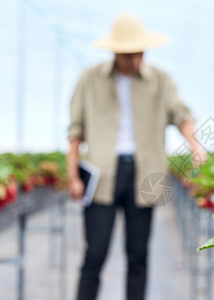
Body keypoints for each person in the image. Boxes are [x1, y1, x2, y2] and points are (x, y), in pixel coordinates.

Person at [66, 13, 206, 300]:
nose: (134, 60)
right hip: (100, 174)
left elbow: (181, 115)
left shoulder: (161, 81)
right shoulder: (90, 79)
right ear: (115, 52)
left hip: (145, 175)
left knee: (138, 256)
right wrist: (73, 177)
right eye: (128, 54)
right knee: (94, 254)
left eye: (139, 53)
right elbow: (75, 132)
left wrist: (194, 144)